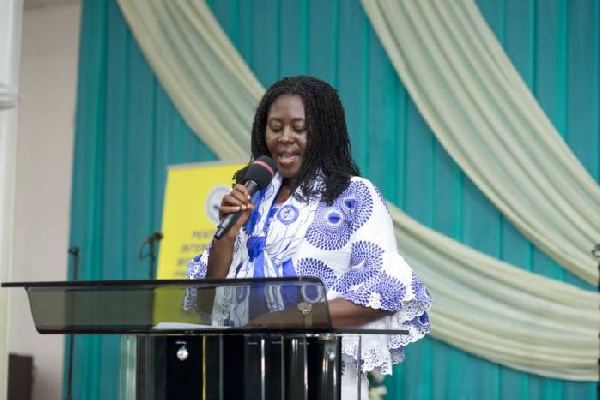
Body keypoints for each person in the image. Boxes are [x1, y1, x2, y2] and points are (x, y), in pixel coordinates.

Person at [187, 75, 432, 399]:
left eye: (298, 128)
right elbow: (205, 303)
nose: (284, 138)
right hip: (245, 375)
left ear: (322, 131)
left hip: (322, 378)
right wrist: (226, 237)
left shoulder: (354, 197)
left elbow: (384, 289)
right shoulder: (252, 200)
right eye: (275, 127)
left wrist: (286, 319)